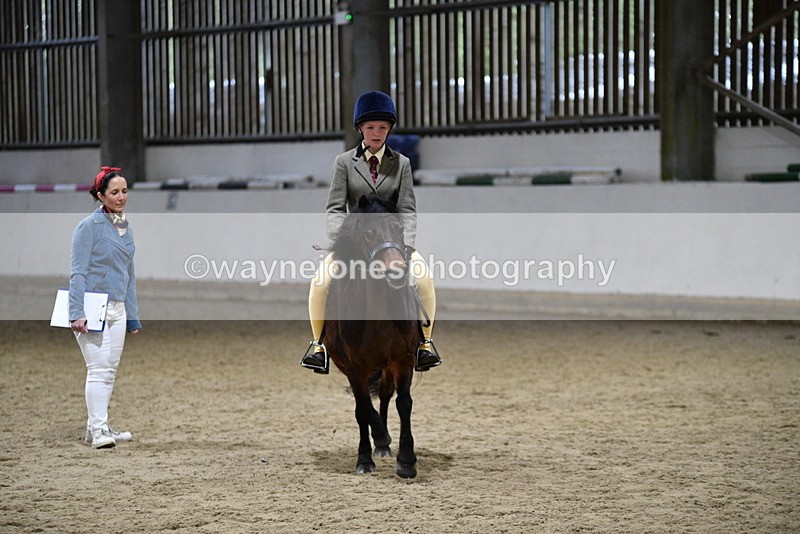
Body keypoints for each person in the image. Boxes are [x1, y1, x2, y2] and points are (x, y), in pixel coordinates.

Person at [301, 90, 442, 374]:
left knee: (424, 280)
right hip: (355, 244)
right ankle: (319, 346)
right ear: (360, 129)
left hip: (391, 244)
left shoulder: (401, 164)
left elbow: (408, 209)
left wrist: (407, 247)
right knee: (321, 282)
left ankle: (425, 343)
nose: (376, 133)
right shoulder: (343, 163)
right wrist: (343, 244)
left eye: (382, 127)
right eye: (370, 127)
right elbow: (335, 208)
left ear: (389, 128)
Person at [70, 166, 141, 449]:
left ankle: (96, 427)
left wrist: (132, 315)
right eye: (115, 192)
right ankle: (98, 430)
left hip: (118, 308)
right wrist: (76, 312)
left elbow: (129, 273)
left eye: (124, 191)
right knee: (98, 370)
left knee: (110, 370)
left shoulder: (124, 225)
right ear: (101, 195)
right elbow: (78, 272)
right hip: (93, 307)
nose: (121, 197)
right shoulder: (88, 227)